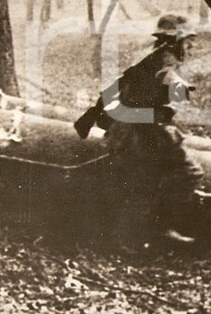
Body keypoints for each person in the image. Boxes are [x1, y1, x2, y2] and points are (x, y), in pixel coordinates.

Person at [73, 13, 203, 248]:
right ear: (176, 41)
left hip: (132, 130)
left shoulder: (150, 59)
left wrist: (91, 117)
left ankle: (131, 239)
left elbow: (119, 87)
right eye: (188, 40)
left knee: (144, 183)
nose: (192, 46)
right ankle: (159, 229)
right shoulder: (165, 60)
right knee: (187, 173)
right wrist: (181, 87)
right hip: (138, 133)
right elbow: (167, 76)